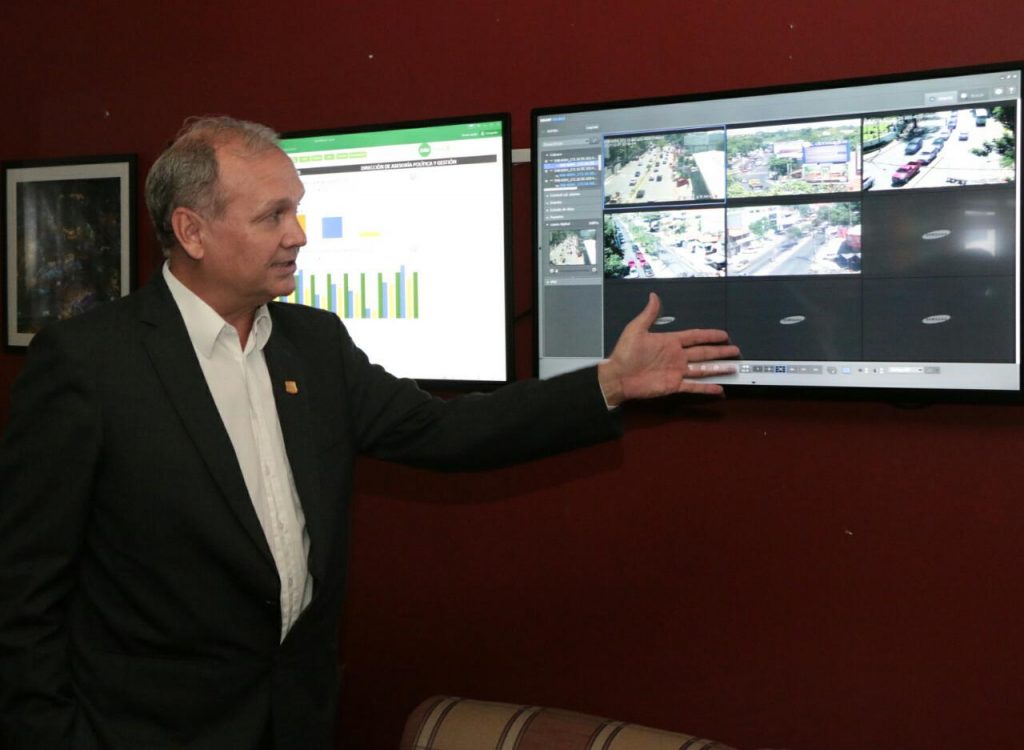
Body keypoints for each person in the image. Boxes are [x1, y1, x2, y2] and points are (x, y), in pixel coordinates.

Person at [0, 116, 739, 750]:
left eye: (297, 210)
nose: (298, 235)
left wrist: (608, 383)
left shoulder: (313, 343)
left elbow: (445, 431)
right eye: (272, 216)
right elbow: (23, 586)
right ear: (192, 230)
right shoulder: (92, 363)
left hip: (294, 721)